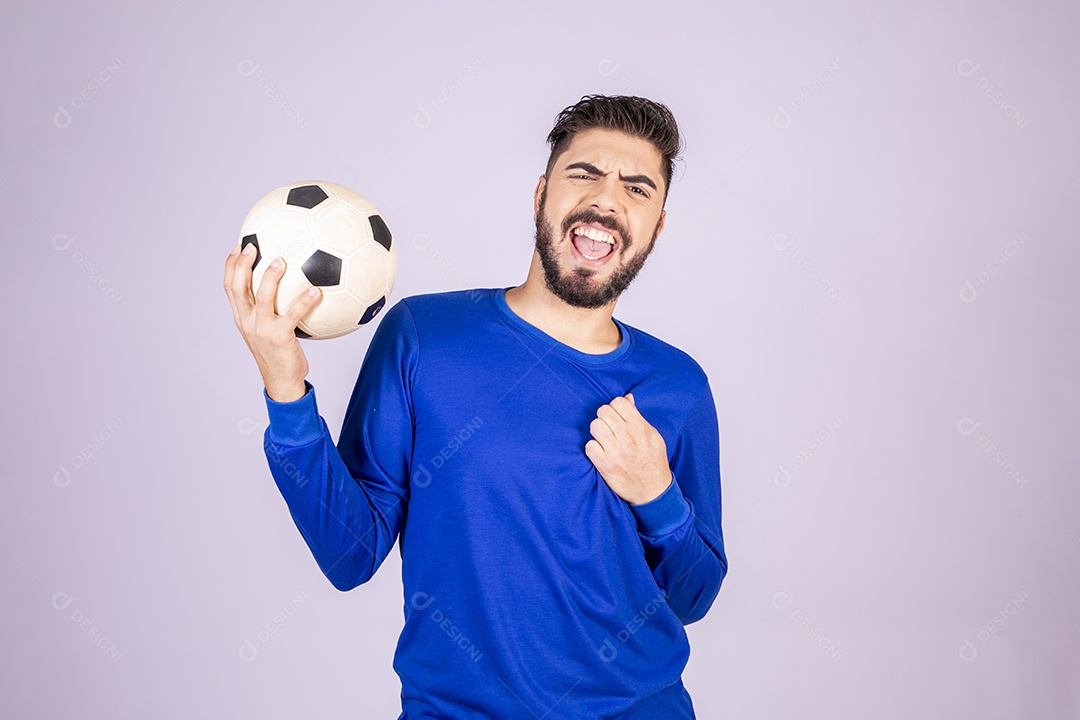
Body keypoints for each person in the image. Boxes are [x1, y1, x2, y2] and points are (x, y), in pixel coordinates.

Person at [223, 94, 728, 719]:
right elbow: (349, 553)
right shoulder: (424, 338)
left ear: (657, 225)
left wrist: (658, 495)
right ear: (541, 192)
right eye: (585, 173)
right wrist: (285, 384)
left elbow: (693, 596)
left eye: (637, 188)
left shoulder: (677, 385)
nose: (608, 199)